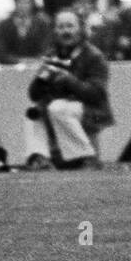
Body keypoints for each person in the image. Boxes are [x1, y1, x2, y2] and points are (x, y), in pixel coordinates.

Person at [24, 9, 113, 171]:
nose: (65, 31)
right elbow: (33, 95)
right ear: (55, 31)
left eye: (70, 26)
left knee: (57, 108)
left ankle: (86, 157)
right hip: (59, 108)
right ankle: (39, 157)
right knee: (34, 112)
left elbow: (97, 94)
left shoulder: (94, 56)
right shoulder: (52, 55)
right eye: (61, 27)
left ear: (80, 29)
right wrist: (41, 79)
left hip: (93, 110)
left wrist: (69, 80)